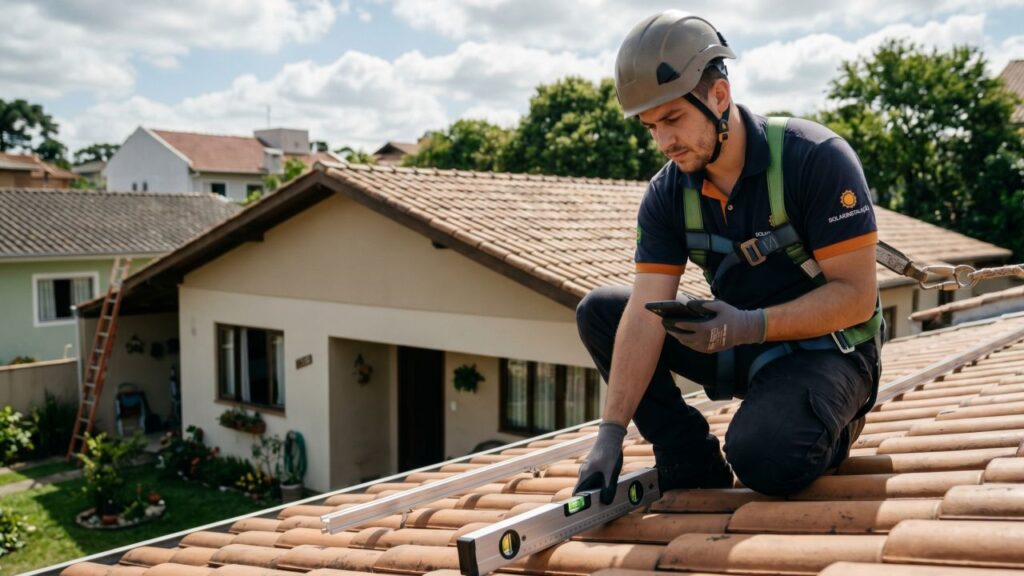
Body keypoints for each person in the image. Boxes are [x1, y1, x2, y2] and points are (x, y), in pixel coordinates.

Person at [573, 11, 884, 501]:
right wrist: (611, 433)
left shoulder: (816, 157)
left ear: (719, 95)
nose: (663, 141)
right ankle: (688, 457)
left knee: (765, 458)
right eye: (650, 126)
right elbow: (644, 312)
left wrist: (747, 325)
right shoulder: (667, 195)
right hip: (741, 347)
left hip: (832, 353)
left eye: (672, 118)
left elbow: (857, 299)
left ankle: (833, 422)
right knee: (602, 313)